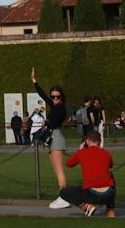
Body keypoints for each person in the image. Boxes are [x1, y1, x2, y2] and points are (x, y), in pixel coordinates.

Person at [33, 67, 74, 208]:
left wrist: (47, 123)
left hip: (55, 137)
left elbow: (54, 123)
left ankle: (64, 197)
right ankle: (63, 195)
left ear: (61, 96)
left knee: (59, 168)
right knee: (56, 169)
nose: (55, 99)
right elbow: (43, 96)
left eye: (57, 96)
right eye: (53, 96)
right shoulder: (56, 105)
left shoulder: (60, 107)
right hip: (52, 137)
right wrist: (35, 82)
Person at [59, 127, 117, 217]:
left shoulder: (82, 153)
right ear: (99, 141)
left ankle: (87, 207)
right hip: (108, 193)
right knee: (111, 176)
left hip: (91, 192)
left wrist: (80, 150)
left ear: (87, 140)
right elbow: (111, 165)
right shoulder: (106, 153)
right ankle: (110, 209)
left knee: (64, 192)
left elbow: (68, 163)